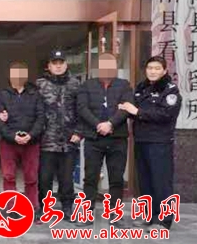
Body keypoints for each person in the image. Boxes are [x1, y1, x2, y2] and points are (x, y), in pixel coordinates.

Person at [118, 56, 181, 231]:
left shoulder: (170, 91)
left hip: (160, 142)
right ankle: (150, 216)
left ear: (164, 71)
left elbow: (165, 115)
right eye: (150, 68)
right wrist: (124, 110)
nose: (153, 71)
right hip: (141, 140)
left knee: (161, 181)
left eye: (157, 68)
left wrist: (137, 111)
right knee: (145, 180)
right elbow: (133, 110)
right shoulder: (141, 88)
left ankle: (164, 221)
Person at [76, 52, 133, 227]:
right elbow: (82, 108)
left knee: (116, 178)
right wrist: (98, 125)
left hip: (117, 138)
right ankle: (87, 214)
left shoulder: (124, 85)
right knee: (90, 177)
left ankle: (116, 215)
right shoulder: (87, 85)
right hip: (94, 138)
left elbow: (126, 108)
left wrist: (110, 124)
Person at [0, 61, 45, 217]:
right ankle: (10, 210)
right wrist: (12, 136)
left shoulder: (35, 94)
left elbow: (41, 118)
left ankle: (33, 209)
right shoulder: (3, 94)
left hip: (31, 143)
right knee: (8, 177)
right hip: (9, 143)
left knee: (31, 178)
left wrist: (31, 135)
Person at [35, 50, 81, 220]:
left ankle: (67, 207)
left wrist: (79, 132)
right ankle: (44, 207)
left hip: (69, 139)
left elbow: (81, 109)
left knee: (66, 178)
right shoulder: (40, 85)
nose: (58, 66)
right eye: (55, 63)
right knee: (45, 178)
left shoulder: (75, 84)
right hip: (46, 139)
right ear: (49, 66)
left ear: (66, 65)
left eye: (61, 63)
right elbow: (33, 110)